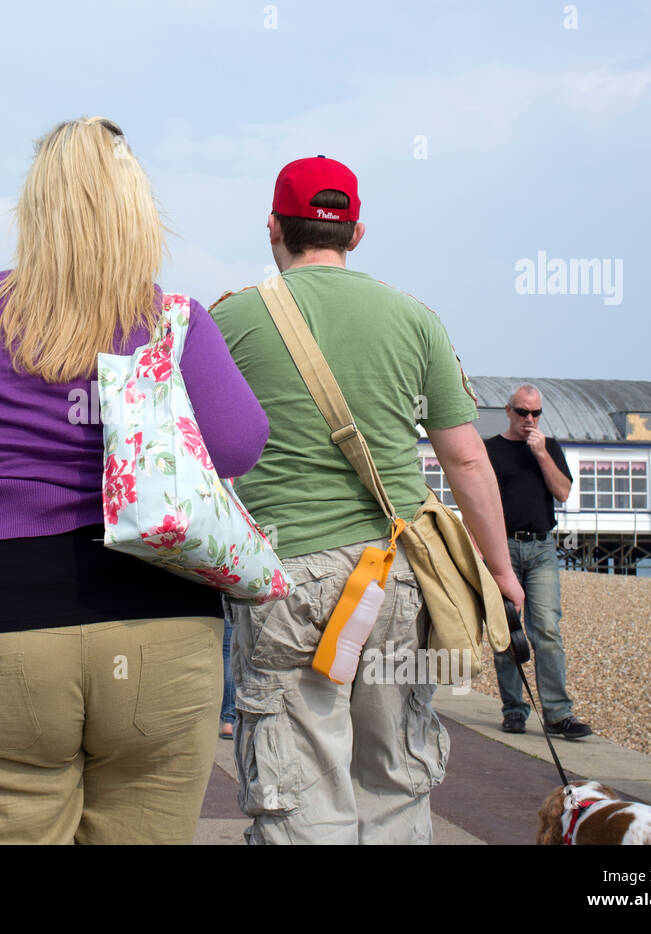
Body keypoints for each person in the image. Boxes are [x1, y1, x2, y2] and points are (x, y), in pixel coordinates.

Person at [0, 116, 268, 844]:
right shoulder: (172, 318)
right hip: (157, 629)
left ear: (35, 209)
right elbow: (241, 443)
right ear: (137, 207)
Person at [210, 155, 524, 845]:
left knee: (300, 786)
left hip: (285, 576)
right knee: (393, 776)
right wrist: (501, 572)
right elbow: (466, 456)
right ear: (357, 233)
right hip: (397, 574)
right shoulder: (414, 318)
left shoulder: (230, 321)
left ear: (272, 228)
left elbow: (195, 453)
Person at [485, 384, 591, 740]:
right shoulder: (491, 450)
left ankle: (559, 714)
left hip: (542, 547)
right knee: (509, 633)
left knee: (546, 630)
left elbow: (562, 492)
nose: (529, 419)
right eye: (522, 412)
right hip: (504, 548)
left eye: (536, 413)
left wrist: (542, 454)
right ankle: (514, 710)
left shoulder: (549, 447)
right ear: (508, 410)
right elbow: (480, 503)